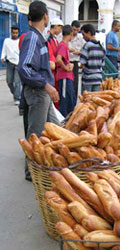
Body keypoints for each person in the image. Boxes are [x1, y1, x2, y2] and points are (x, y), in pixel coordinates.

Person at [17, 1, 60, 181]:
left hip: (42, 93)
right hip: (38, 93)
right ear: (45, 17)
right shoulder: (33, 38)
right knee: (36, 133)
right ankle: (31, 173)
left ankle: (49, 167)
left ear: (28, 19)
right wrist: (47, 85)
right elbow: (25, 68)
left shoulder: (38, 37)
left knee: (54, 131)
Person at [56, 25, 76, 117]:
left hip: (67, 77)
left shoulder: (65, 45)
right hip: (64, 77)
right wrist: (65, 67)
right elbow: (58, 59)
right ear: (71, 34)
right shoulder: (63, 45)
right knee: (65, 102)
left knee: (70, 99)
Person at [80, 24, 105, 92]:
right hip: (98, 79)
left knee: (86, 101)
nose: (83, 37)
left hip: (88, 79)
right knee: (95, 101)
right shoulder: (101, 47)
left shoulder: (87, 46)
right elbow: (102, 64)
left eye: (83, 34)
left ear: (89, 33)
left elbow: (82, 62)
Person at [1, 26, 21, 106]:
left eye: (16, 33)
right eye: (13, 33)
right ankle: (15, 93)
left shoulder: (20, 41)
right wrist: (2, 57)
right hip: (9, 63)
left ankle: (17, 98)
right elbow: (4, 50)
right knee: (9, 81)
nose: (15, 34)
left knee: (17, 82)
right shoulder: (7, 41)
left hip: (18, 63)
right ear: (11, 32)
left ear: (18, 33)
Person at [68, 20, 85, 97]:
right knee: (68, 82)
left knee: (75, 82)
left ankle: (74, 99)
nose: (75, 32)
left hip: (75, 61)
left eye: (77, 30)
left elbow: (84, 50)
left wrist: (79, 52)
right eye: (74, 29)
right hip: (67, 61)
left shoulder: (80, 38)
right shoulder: (65, 36)